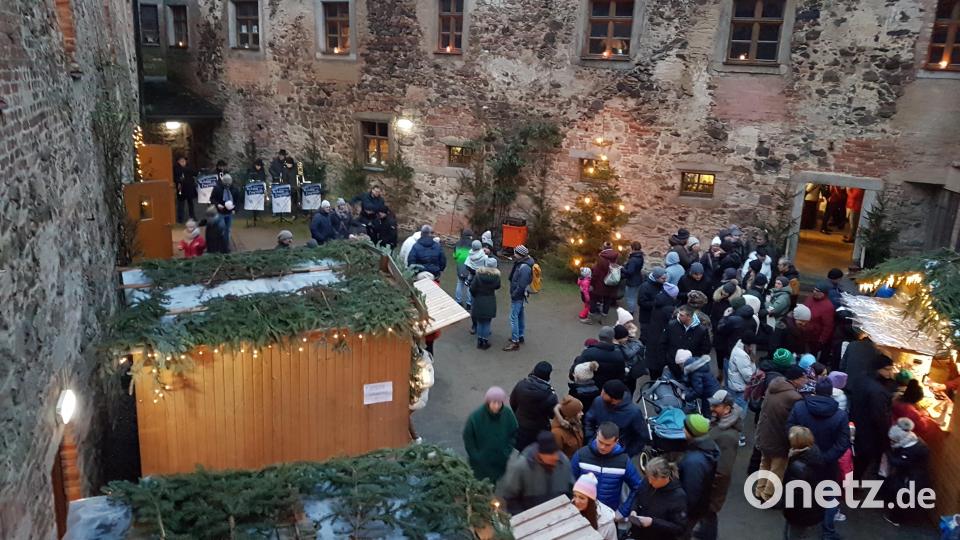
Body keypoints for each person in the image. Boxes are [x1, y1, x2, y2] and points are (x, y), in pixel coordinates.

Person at [787, 379, 850, 538]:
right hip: (827, 467)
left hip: (800, 463)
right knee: (829, 497)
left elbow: (789, 429)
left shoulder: (800, 407)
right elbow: (843, 443)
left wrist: (800, 451)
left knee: (797, 499)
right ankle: (827, 532)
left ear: (815, 391)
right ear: (831, 393)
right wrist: (824, 458)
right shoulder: (840, 415)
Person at [571, 421, 644, 520]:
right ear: (597, 435)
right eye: (600, 442)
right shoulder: (581, 455)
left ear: (616, 441)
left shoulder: (624, 462)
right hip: (582, 513)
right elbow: (569, 483)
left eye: (607, 444)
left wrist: (622, 512)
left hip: (608, 516)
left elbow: (638, 487)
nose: (602, 447)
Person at [755, 366, 806, 502]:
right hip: (779, 438)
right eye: (803, 378)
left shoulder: (773, 387)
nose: (805, 381)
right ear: (796, 380)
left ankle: (759, 490)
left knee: (765, 463)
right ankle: (768, 496)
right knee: (777, 469)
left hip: (765, 434)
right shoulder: (794, 397)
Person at [700, 390, 743, 540]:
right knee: (706, 514)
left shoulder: (727, 437)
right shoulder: (721, 423)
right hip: (709, 481)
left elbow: (723, 471)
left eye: (716, 406)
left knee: (709, 514)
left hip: (712, 487)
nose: (711, 408)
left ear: (727, 408)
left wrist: (709, 487)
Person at [496, 431, 573, 515]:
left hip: (559, 517)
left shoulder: (564, 463)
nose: (556, 457)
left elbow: (571, 490)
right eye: (550, 454)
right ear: (539, 454)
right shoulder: (522, 467)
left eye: (556, 452)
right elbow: (510, 497)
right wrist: (523, 517)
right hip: (530, 519)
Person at [463, 386, 518, 484]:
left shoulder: (508, 415)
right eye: (494, 402)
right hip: (480, 465)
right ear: (488, 402)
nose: (496, 406)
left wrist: (507, 451)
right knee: (479, 486)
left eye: (499, 403)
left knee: (494, 483)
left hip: (499, 462)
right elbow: (468, 438)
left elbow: (514, 434)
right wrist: (476, 456)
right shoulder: (476, 418)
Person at [882, 417, 931, 526]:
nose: (891, 442)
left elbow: (897, 462)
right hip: (914, 476)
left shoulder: (910, 451)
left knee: (902, 497)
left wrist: (888, 452)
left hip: (910, 479)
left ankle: (896, 519)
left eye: (893, 441)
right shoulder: (914, 440)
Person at [782, 426, 827, 539]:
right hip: (812, 507)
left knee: (794, 535)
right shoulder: (814, 453)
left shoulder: (798, 467)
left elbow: (792, 493)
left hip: (800, 511)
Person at [626, 457, 688, 540]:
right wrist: (633, 510)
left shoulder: (678, 496)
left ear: (665, 477)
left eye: (654, 479)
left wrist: (652, 522)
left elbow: (679, 528)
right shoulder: (647, 481)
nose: (650, 482)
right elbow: (637, 497)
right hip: (637, 534)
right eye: (648, 478)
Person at [678, 413, 719, 536]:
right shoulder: (709, 446)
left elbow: (692, 491)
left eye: (685, 428)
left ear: (692, 432)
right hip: (703, 502)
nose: (682, 430)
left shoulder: (694, 462)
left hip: (692, 509)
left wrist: (683, 512)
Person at [583, 380, 648, 457]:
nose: (601, 394)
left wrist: (627, 454)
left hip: (619, 453)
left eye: (604, 393)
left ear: (613, 399)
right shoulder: (598, 401)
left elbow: (642, 437)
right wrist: (590, 440)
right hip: (595, 449)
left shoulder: (634, 413)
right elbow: (589, 420)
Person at [510, 361, 563, 451]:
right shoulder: (549, 395)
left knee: (520, 449)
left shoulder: (521, 385)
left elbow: (513, 402)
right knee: (536, 451)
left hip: (520, 424)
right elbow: (553, 414)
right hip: (538, 429)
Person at [660, 304, 711, 380]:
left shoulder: (701, 330)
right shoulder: (672, 325)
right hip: (671, 367)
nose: (678, 316)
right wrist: (665, 363)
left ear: (689, 317)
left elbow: (705, 349)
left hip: (690, 369)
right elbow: (663, 344)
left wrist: (695, 364)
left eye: (681, 315)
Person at [574, 326, 627, 392]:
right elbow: (621, 377)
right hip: (608, 390)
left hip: (588, 389)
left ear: (599, 336)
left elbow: (578, 371)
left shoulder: (588, 352)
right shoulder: (618, 356)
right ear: (613, 338)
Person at [893, 379, 944, 445]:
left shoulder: (898, 399)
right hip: (905, 437)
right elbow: (923, 427)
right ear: (915, 400)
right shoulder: (911, 412)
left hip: (896, 428)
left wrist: (920, 413)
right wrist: (925, 414)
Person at [504, 245, 534, 351]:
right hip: (520, 295)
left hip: (518, 295)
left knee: (513, 317)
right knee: (520, 315)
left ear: (520, 255)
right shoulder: (523, 263)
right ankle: (520, 335)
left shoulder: (524, 267)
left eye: (515, 252)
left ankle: (515, 341)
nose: (514, 254)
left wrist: (514, 294)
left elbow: (521, 285)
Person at [570, 473, 618, 540]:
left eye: (581, 498)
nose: (576, 501)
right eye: (575, 496)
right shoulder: (569, 511)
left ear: (591, 500)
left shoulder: (607, 522)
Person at [470, 256, 500, 350]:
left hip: (479, 299)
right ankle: (485, 341)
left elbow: (472, 288)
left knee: (479, 322)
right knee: (487, 323)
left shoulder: (478, 275)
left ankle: (479, 341)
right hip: (490, 300)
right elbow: (497, 286)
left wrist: (476, 295)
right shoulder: (496, 277)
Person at [676, 351, 721, 415]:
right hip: (714, 391)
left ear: (682, 363)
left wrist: (686, 397)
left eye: (679, 365)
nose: (680, 367)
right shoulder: (698, 366)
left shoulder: (695, 372)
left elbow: (698, 391)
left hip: (709, 395)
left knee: (707, 415)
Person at [589, 246, 621, 322]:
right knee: (607, 301)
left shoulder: (601, 260)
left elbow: (595, 274)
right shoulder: (615, 259)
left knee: (593, 299)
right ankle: (603, 319)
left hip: (599, 285)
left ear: (603, 250)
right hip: (611, 284)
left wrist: (592, 283)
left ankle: (591, 319)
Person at [210, 172, 239, 250]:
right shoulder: (217, 188)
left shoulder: (234, 189)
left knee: (227, 229)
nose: (227, 185)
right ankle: (219, 245)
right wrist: (217, 204)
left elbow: (237, 201)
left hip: (229, 212)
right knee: (221, 228)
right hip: (220, 212)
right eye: (226, 183)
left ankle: (226, 245)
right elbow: (212, 199)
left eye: (229, 184)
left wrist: (235, 209)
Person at [638, 267, 667, 336]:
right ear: (656, 278)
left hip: (656, 317)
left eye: (665, 278)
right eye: (663, 278)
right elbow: (641, 302)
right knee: (645, 336)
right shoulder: (645, 287)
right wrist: (656, 303)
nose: (665, 280)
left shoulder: (661, 284)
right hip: (646, 318)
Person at [621, 242, 645, 316]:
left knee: (630, 297)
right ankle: (631, 311)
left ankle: (630, 313)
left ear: (633, 248)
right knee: (633, 297)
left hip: (632, 280)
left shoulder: (633, 259)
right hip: (638, 279)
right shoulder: (640, 257)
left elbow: (630, 272)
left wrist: (622, 269)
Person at [453, 229, 475, 307]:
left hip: (460, 266)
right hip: (470, 267)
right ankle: (469, 303)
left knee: (459, 283)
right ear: (470, 236)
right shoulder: (473, 245)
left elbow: (454, 256)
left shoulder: (458, 243)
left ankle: (458, 300)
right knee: (469, 285)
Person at [173, 155, 197, 223]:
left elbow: (195, 173)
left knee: (191, 203)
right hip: (181, 188)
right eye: (181, 161)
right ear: (178, 161)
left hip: (189, 188)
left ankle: (192, 216)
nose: (183, 162)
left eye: (184, 161)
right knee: (181, 204)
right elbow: (175, 178)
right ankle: (180, 219)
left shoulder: (189, 167)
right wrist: (179, 180)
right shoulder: (176, 168)